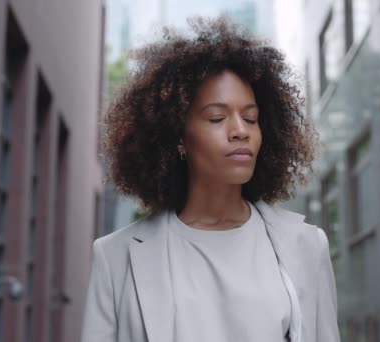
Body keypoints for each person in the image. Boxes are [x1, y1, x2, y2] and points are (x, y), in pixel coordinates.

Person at [81, 17, 340, 342]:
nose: (240, 131)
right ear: (178, 138)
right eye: (217, 118)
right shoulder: (115, 256)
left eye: (251, 118)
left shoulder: (306, 247)